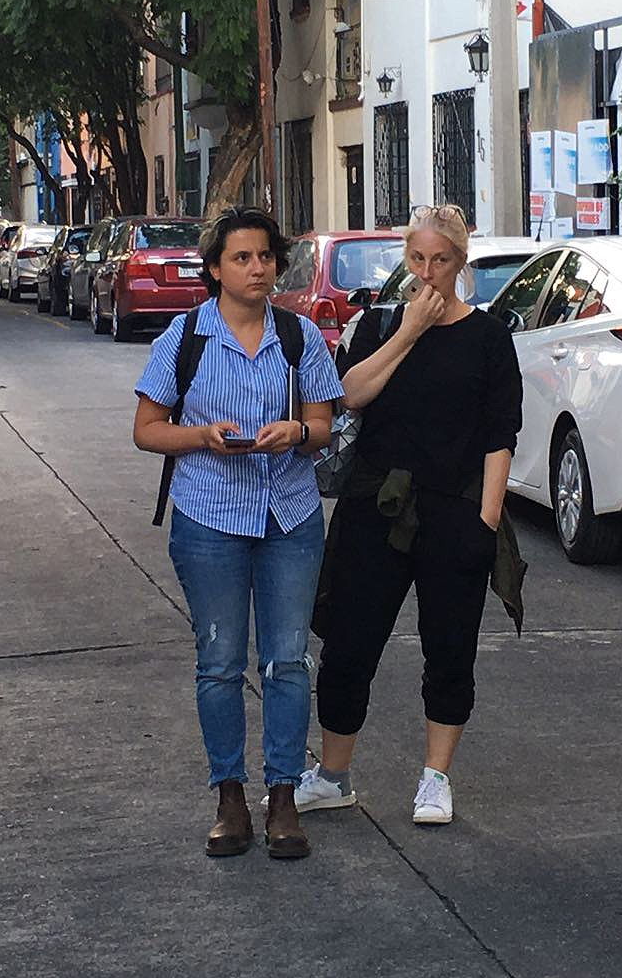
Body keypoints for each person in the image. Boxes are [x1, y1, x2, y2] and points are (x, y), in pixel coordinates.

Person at [295, 204, 521, 829]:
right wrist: (409, 332)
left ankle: (435, 777)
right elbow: (349, 393)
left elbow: (500, 435)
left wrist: (486, 521)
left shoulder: (487, 337)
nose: (427, 272)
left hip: (453, 511)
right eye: (417, 259)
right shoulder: (377, 326)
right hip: (375, 506)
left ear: (460, 262)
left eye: (440, 260)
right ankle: (334, 775)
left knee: (449, 649)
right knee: (348, 643)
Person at [132, 207, 343, 858]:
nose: (256, 269)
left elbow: (324, 427)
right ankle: (229, 796)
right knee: (220, 663)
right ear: (216, 269)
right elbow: (146, 429)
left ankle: (283, 799)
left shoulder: (299, 335)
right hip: (209, 519)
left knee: (285, 662)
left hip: (290, 518)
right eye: (241, 258)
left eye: (265, 257)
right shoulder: (184, 337)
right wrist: (202, 437)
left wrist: (296, 434)